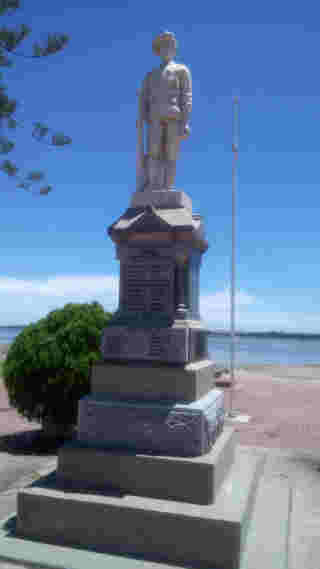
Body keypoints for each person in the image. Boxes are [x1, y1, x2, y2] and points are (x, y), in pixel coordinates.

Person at [138, 31, 192, 191]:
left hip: (173, 116)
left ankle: (168, 186)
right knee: (153, 152)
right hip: (154, 118)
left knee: (171, 154)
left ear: (174, 49)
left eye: (169, 46)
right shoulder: (151, 75)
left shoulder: (181, 70)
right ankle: (153, 184)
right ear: (158, 51)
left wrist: (185, 122)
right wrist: (141, 118)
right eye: (162, 46)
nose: (166, 49)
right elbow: (144, 99)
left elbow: (186, 97)